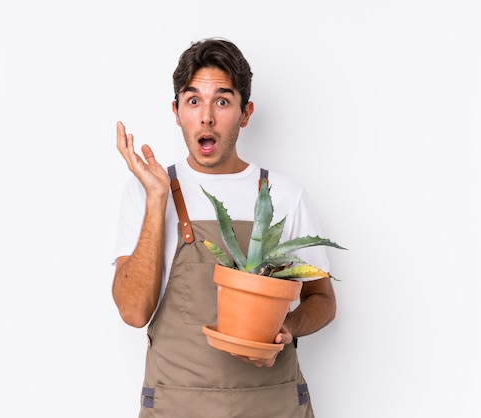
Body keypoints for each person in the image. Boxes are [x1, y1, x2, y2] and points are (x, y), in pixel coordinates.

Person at [112, 38, 336, 418]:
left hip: (273, 406)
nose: (207, 117)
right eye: (193, 100)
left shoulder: (284, 196)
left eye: (222, 101)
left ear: (245, 113)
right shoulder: (148, 191)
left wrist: (290, 327)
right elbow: (134, 313)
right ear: (176, 111)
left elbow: (323, 300)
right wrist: (156, 200)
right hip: (177, 407)